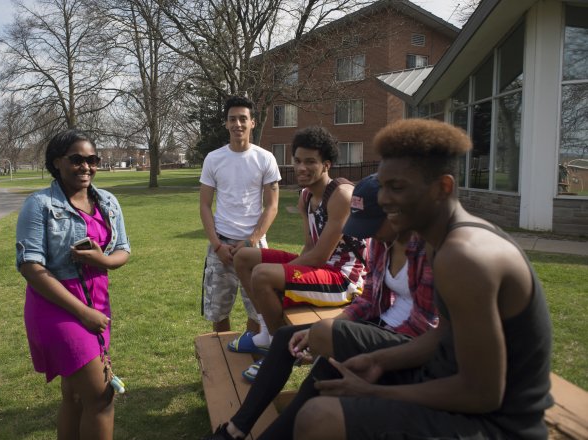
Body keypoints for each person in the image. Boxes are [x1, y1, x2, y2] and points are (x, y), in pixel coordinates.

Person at [289, 119, 552, 440]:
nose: (383, 199)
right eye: (382, 185)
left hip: (499, 424)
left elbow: (482, 394)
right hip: (446, 379)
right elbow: (444, 333)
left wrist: (376, 394)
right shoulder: (438, 240)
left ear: (443, 187)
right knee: (337, 372)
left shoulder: (465, 257)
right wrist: (377, 359)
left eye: (397, 187)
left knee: (318, 419)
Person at [204, 174, 437, 440]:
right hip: (378, 327)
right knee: (285, 337)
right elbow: (369, 299)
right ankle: (236, 429)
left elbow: (424, 327)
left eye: (372, 223)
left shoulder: (427, 250)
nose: (368, 233)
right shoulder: (384, 243)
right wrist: (335, 326)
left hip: (406, 342)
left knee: (329, 364)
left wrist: (348, 340)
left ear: (394, 212)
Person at [16, 129, 130, 439]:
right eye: (76, 160)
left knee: (76, 396)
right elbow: (30, 266)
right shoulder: (39, 204)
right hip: (56, 305)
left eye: (92, 160)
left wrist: (102, 261)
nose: (86, 167)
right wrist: (81, 312)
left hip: (97, 299)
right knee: (102, 397)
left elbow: (123, 251)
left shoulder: (107, 201)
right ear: (57, 162)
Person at [227, 126, 368, 362]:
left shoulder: (341, 196)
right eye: (298, 160)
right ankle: (265, 332)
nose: (302, 167)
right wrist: (288, 272)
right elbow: (310, 247)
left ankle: (276, 350)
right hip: (321, 268)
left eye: (311, 161)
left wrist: (283, 273)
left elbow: (319, 257)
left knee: (262, 275)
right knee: (244, 258)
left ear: (327, 165)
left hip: (344, 280)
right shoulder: (306, 196)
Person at [200, 95, 281, 333]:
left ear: (252, 122)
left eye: (243, 119)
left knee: (259, 312)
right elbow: (205, 205)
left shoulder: (265, 158)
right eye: (232, 119)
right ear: (225, 124)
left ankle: (252, 355)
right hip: (221, 247)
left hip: (254, 247)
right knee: (218, 312)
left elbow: (272, 205)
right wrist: (217, 245)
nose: (237, 124)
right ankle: (222, 362)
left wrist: (252, 240)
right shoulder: (214, 159)